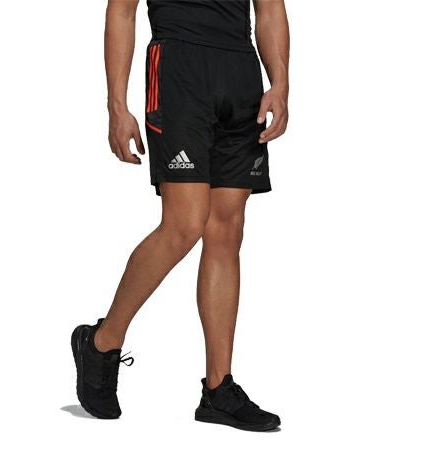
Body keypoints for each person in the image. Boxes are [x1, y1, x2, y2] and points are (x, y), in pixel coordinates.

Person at [71, 0, 289, 431]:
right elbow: (121, 12)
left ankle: (218, 389)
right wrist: (117, 106)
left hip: (240, 72)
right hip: (178, 68)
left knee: (226, 230)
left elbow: (270, 10)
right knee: (184, 224)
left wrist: (280, 83)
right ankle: (101, 342)